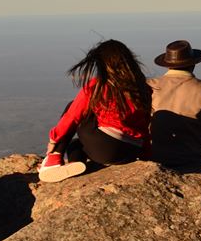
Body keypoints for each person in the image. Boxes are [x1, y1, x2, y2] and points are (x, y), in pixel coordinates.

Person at [39, 39, 152, 183]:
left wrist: (54, 139)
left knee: (72, 106)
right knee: (75, 145)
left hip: (104, 147)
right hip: (130, 150)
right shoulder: (142, 88)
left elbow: (72, 116)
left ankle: (53, 159)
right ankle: (76, 164)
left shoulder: (98, 86)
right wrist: (147, 154)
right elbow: (145, 124)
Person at [147, 39, 201, 168]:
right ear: (193, 64)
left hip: (151, 159)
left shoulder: (148, 87)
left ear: (167, 64)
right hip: (192, 159)